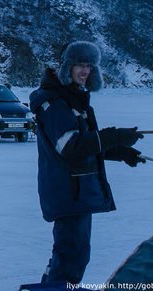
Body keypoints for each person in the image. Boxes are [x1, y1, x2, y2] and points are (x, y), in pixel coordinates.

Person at [30, 41, 144, 284]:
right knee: (72, 255)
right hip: (67, 190)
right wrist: (113, 136)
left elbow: (84, 144)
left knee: (73, 254)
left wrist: (120, 151)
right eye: (79, 65)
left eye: (89, 66)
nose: (85, 71)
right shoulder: (56, 104)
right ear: (66, 67)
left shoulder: (74, 100)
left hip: (78, 190)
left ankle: (51, 287)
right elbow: (70, 147)